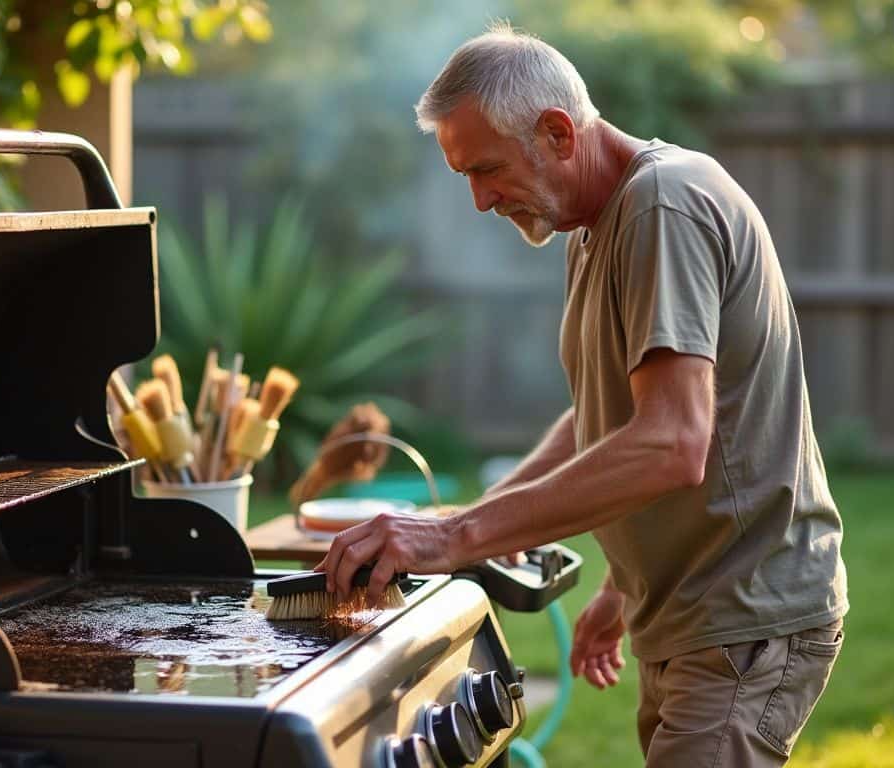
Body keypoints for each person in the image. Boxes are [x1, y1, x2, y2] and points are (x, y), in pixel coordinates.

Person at [315, 22, 848, 766]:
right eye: (463, 175)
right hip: (688, 611)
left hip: (744, 615)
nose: (477, 200)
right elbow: (605, 415)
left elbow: (672, 443)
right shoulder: (594, 229)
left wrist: (454, 537)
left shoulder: (666, 203)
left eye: (487, 169)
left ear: (559, 132)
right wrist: (622, 586)